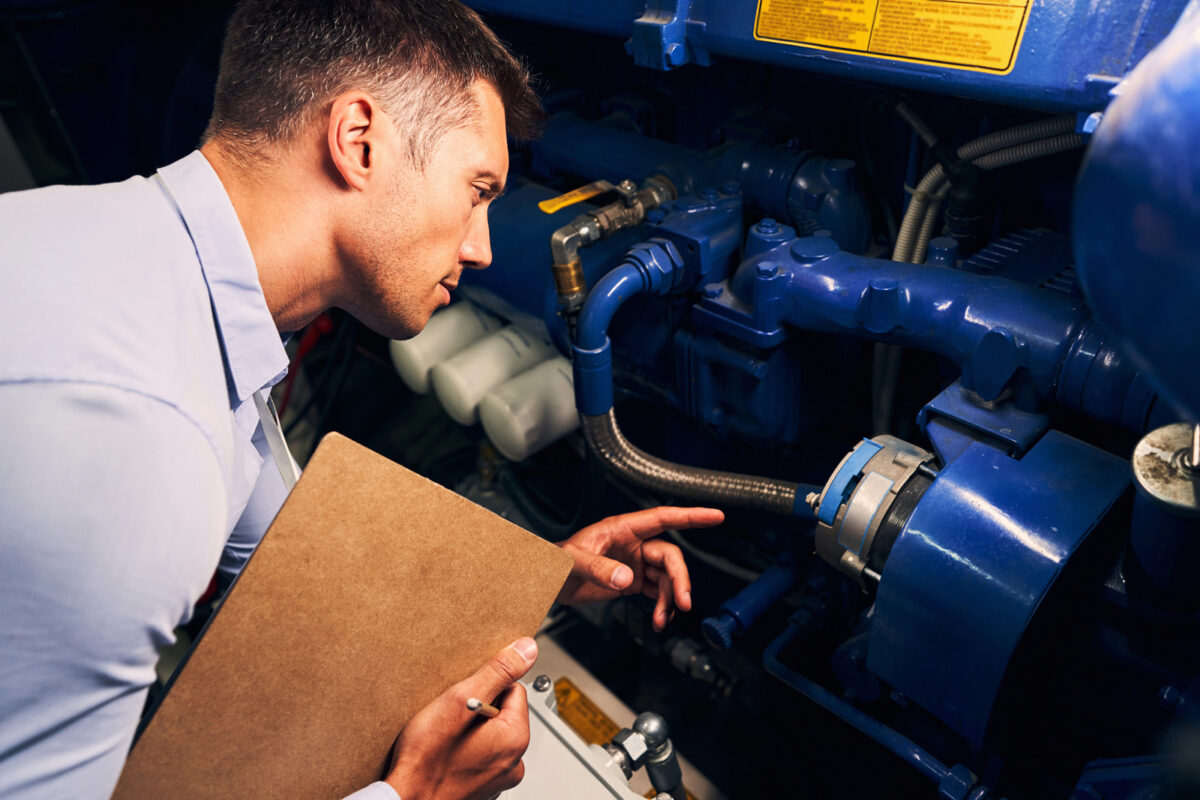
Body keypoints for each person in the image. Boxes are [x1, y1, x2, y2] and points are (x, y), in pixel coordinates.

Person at [0, 1, 724, 798]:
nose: (482, 246)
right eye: (477, 189)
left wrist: (532, 578)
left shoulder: (149, 275)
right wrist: (415, 792)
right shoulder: (136, 432)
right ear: (358, 141)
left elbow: (295, 574)